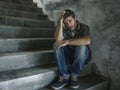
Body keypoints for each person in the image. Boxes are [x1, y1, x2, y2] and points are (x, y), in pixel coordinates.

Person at [51, 9, 91, 90]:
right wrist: (60, 21)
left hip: (82, 56)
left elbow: (87, 41)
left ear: (75, 18)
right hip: (69, 56)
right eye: (66, 23)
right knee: (57, 45)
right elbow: (58, 40)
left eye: (70, 21)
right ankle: (64, 76)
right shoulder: (64, 28)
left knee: (82, 47)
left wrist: (67, 41)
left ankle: (74, 75)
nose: (68, 24)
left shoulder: (84, 27)